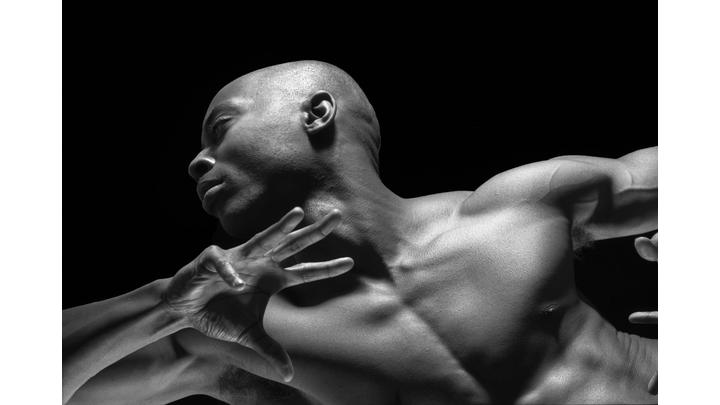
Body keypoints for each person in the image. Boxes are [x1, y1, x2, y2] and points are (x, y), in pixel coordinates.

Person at [62, 60, 657, 405]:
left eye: (221, 129)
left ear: (317, 114)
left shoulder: (519, 208)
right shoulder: (236, 332)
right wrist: (161, 304)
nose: (197, 162)